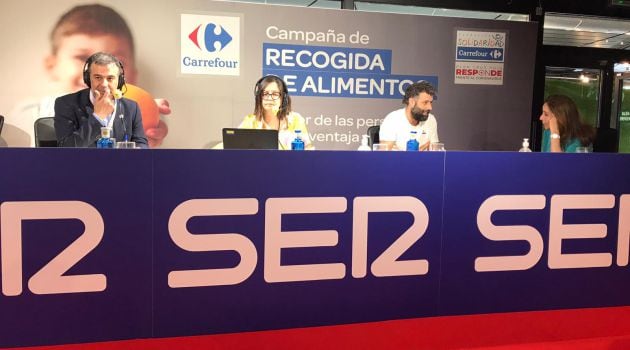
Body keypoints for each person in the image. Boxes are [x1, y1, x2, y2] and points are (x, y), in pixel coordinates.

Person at [6, 4, 170, 148]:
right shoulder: (28, 113)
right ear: (52, 66)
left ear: (132, 76)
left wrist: (147, 113)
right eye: (82, 58)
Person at [54, 52, 148, 148]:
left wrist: (137, 150)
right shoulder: (66, 104)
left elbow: (141, 143)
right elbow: (65, 148)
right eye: (98, 77)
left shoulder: (131, 107)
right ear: (88, 79)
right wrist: (98, 117)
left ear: (119, 81)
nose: (104, 84)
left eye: (110, 78)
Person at [238, 75, 313, 150]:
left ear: (283, 99)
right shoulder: (250, 122)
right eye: (265, 94)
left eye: (275, 94)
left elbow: (308, 151)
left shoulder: (296, 120)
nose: (270, 98)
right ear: (259, 98)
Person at [379, 81, 439, 151]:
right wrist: (412, 156)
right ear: (412, 102)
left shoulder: (431, 119)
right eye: (425, 102)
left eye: (430, 102)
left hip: (423, 162)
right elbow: (384, 155)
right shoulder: (392, 119)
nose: (430, 107)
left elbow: (436, 153)